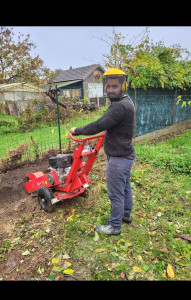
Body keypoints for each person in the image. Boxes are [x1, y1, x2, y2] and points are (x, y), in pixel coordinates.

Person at [70, 68, 135, 235]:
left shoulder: (119, 106)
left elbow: (99, 124)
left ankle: (114, 226)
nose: (111, 90)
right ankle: (126, 215)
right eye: (109, 86)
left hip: (119, 159)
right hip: (126, 155)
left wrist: (78, 130)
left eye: (115, 86)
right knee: (125, 187)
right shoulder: (127, 101)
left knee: (115, 194)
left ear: (123, 86)